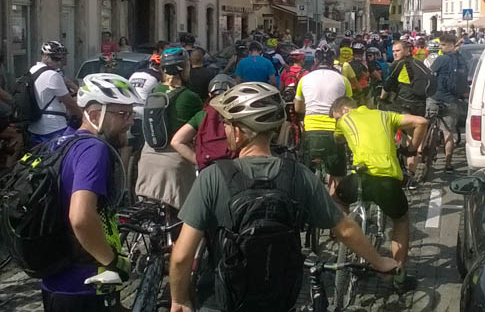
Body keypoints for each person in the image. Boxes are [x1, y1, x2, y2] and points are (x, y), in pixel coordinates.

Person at [168, 83, 398, 312]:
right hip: (279, 296)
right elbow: (345, 229)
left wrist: (179, 300)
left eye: (227, 124)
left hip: (223, 298)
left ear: (238, 133)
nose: (225, 129)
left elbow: (181, 256)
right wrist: (379, 261)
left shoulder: (212, 177)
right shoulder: (299, 175)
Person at [41, 74, 141, 312]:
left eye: (131, 114)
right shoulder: (94, 149)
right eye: (122, 114)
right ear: (94, 116)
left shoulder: (63, 140)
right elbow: (81, 217)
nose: (129, 122)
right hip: (85, 284)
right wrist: (112, 261)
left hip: (56, 280)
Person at [330, 96, 426, 291]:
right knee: (400, 219)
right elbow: (421, 122)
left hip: (360, 177)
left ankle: (348, 233)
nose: (336, 120)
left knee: (337, 199)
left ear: (345, 110)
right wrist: (411, 149)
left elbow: (338, 139)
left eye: (336, 116)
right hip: (387, 181)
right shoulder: (385, 115)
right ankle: (398, 276)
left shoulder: (343, 121)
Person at [135, 47, 203, 211]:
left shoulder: (154, 92)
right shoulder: (191, 97)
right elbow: (203, 126)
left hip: (147, 157)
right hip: (176, 162)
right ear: (184, 69)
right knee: (189, 215)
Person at [295, 45, 353, 195]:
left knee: (305, 174)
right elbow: (349, 109)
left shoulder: (305, 79)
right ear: (333, 61)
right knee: (338, 176)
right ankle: (334, 203)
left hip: (311, 131)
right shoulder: (343, 80)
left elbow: (298, 108)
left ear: (315, 60)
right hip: (334, 132)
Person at [171, 74, 237, 169]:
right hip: (234, 167)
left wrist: (199, 161)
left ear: (210, 94)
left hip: (208, 167)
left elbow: (176, 141)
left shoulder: (202, 114)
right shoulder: (237, 114)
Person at [27, 42, 82, 146]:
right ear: (44, 56)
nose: (59, 62)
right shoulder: (52, 75)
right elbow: (70, 103)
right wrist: (83, 117)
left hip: (34, 127)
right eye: (55, 59)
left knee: (37, 155)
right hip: (54, 127)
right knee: (67, 152)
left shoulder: (33, 70)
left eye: (62, 59)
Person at [426, 35, 464, 173]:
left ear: (451, 45)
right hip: (451, 100)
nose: (440, 48)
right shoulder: (461, 60)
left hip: (435, 97)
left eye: (442, 45)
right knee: (448, 133)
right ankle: (448, 164)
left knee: (427, 126)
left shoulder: (441, 59)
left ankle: (426, 153)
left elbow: (430, 74)